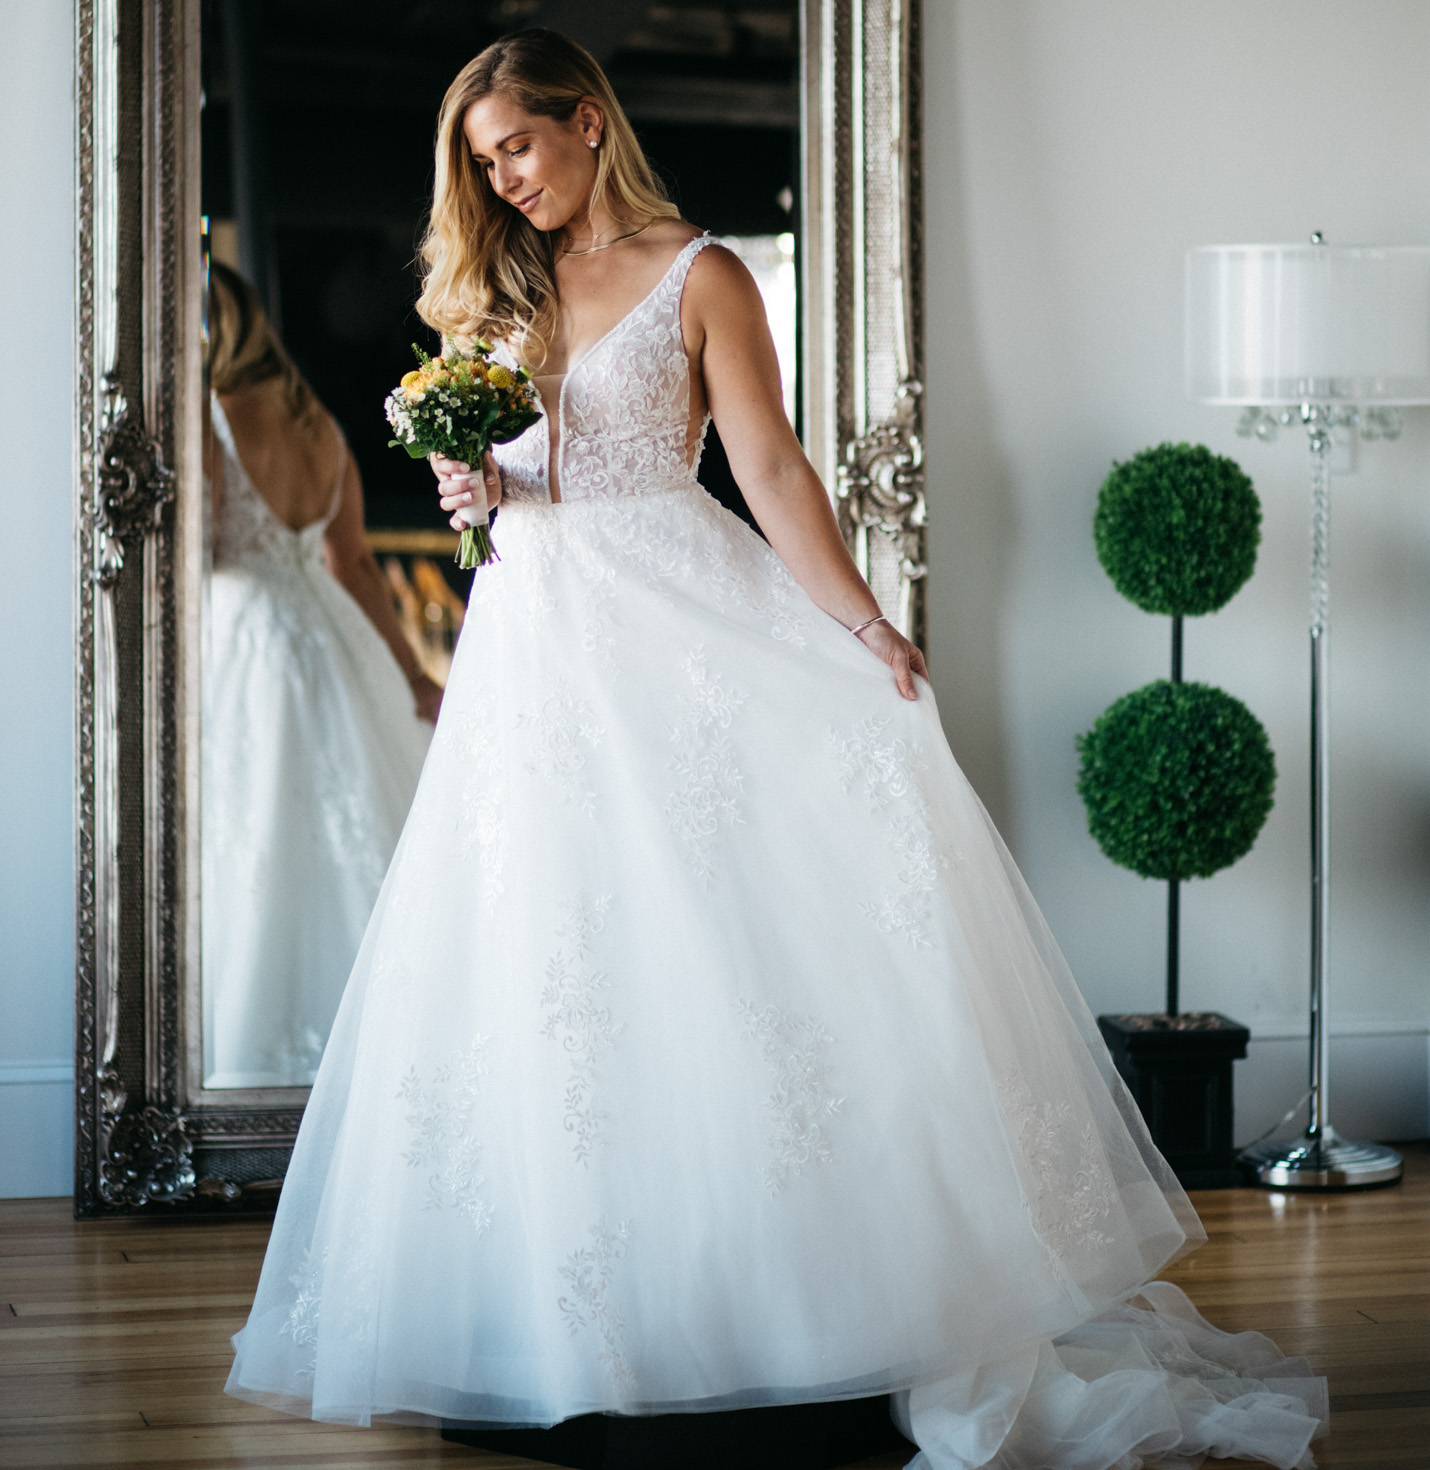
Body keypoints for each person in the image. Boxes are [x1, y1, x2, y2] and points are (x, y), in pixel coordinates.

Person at [225, 31, 1327, 1469]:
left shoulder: (704, 275)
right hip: (533, 648)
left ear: (585, 118)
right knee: (551, 964)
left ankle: (782, 1310)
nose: (505, 178)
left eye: (518, 146)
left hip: (670, 620)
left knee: (716, 948)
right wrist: (471, 483)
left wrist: (865, 625)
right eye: (483, 162)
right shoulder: (502, 289)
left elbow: (768, 466)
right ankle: (574, 1320)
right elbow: (510, 495)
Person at [202, 262, 437, 1089]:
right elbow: (357, 567)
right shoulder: (323, 429)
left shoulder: (212, 417)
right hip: (333, 636)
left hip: (243, 635)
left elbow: (192, 549)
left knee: (255, 832)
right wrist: (411, 674)